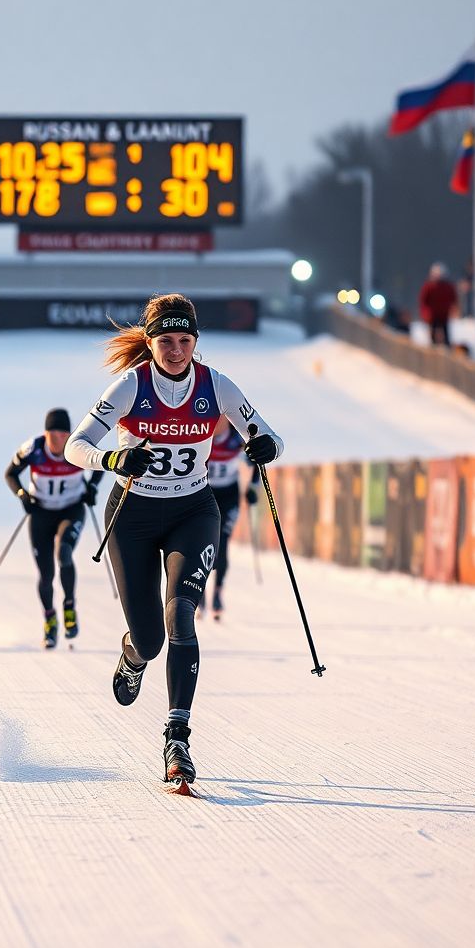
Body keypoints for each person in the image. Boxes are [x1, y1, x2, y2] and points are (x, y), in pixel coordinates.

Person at [65, 293, 282, 789]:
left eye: (185, 340)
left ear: (196, 342)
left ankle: (177, 737)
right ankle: (133, 654)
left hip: (193, 510)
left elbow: (269, 436)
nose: (176, 350)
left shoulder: (216, 385)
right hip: (132, 515)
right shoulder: (130, 385)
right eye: (166, 340)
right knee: (150, 638)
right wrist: (112, 460)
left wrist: (266, 445)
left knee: (181, 612)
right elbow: (78, 445)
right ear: (151, 341)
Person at [5, 408, 103, 649]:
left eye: (62, 434)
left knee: (64, 553)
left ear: (68, 434)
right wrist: (22, 495)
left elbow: (100, 464)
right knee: (46, 573)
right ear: (46, 433)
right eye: (52, 433)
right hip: (41, 513)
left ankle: (69, 607)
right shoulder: (33, 448)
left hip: (71, 510)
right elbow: (10, 474)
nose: (57, 439)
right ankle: (50, 620)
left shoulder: (77, 447)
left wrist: (92, 488)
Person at [201, 415, 258, 622]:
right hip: (205, 495)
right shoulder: (202, 434)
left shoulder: (237, 438)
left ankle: (217, 593)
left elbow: (257, 461)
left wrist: (253, 488)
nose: (216, 424)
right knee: (203, 544)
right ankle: (199, 593)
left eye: (221, 419)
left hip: (229, 496)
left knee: (222, 543)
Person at [418, 263, 458, 346]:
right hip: (433, 315)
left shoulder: (448, 287)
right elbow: (423, 300)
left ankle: (447, 347)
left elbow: (454, 299)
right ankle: (433, 346)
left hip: (444, 314)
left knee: (445, 333)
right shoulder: (429, 286)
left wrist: (454, 309)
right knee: (433, 333)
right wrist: (425, 313)